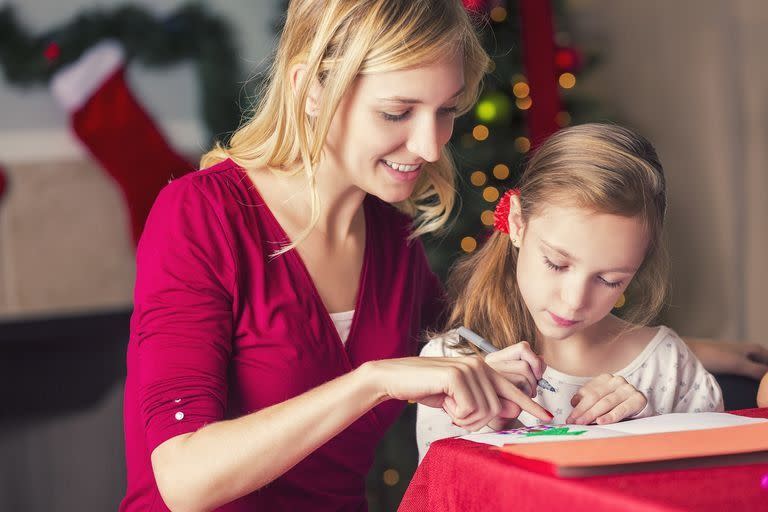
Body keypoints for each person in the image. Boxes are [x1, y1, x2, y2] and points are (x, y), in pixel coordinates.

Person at [120, 1, 551, 511]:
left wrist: (617, 378)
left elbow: (471, 353)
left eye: (446, 111)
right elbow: (183, 478)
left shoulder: (392, 237)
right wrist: (373, 382)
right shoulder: (201, 215)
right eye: (397, 112)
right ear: (311, 89)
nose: (431, 147)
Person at [416, 123, 725, 462]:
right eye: (556, 264)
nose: (575, 300)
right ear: (518, 224)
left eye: (609, 281)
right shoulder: (451, 366)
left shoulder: (667, 367)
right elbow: (438, 497)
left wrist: (642, 436)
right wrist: (495, 429)